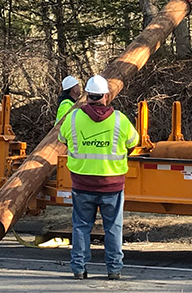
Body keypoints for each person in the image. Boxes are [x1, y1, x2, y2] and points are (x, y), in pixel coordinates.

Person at [57, 75, 139, 280]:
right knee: (113, 227)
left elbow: (62, 138)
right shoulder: (120, 119)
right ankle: (114, 269)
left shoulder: (74, 117)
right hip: (112, 184)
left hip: (82, 183)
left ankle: (79, 268)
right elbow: (133, 141)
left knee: (81, 226)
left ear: (87, 95)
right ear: (106, 96)